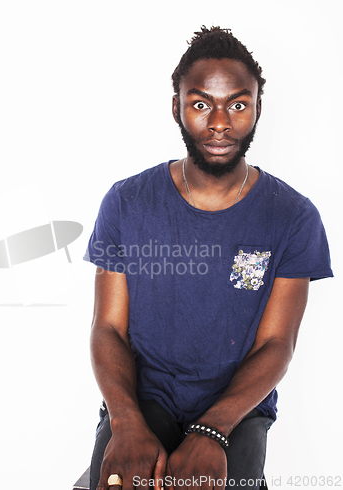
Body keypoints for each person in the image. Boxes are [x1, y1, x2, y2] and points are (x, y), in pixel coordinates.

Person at [83, 26, 333, 490]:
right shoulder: (127, 202)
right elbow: (108, 328)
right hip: (144, 399)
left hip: (237, 408)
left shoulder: (293, 217)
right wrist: (125, 421)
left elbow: (276, 345)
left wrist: (211, 429)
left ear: (257, 108)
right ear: (176, 107)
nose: (220, 122)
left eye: (237, 104)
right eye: (201, 103)